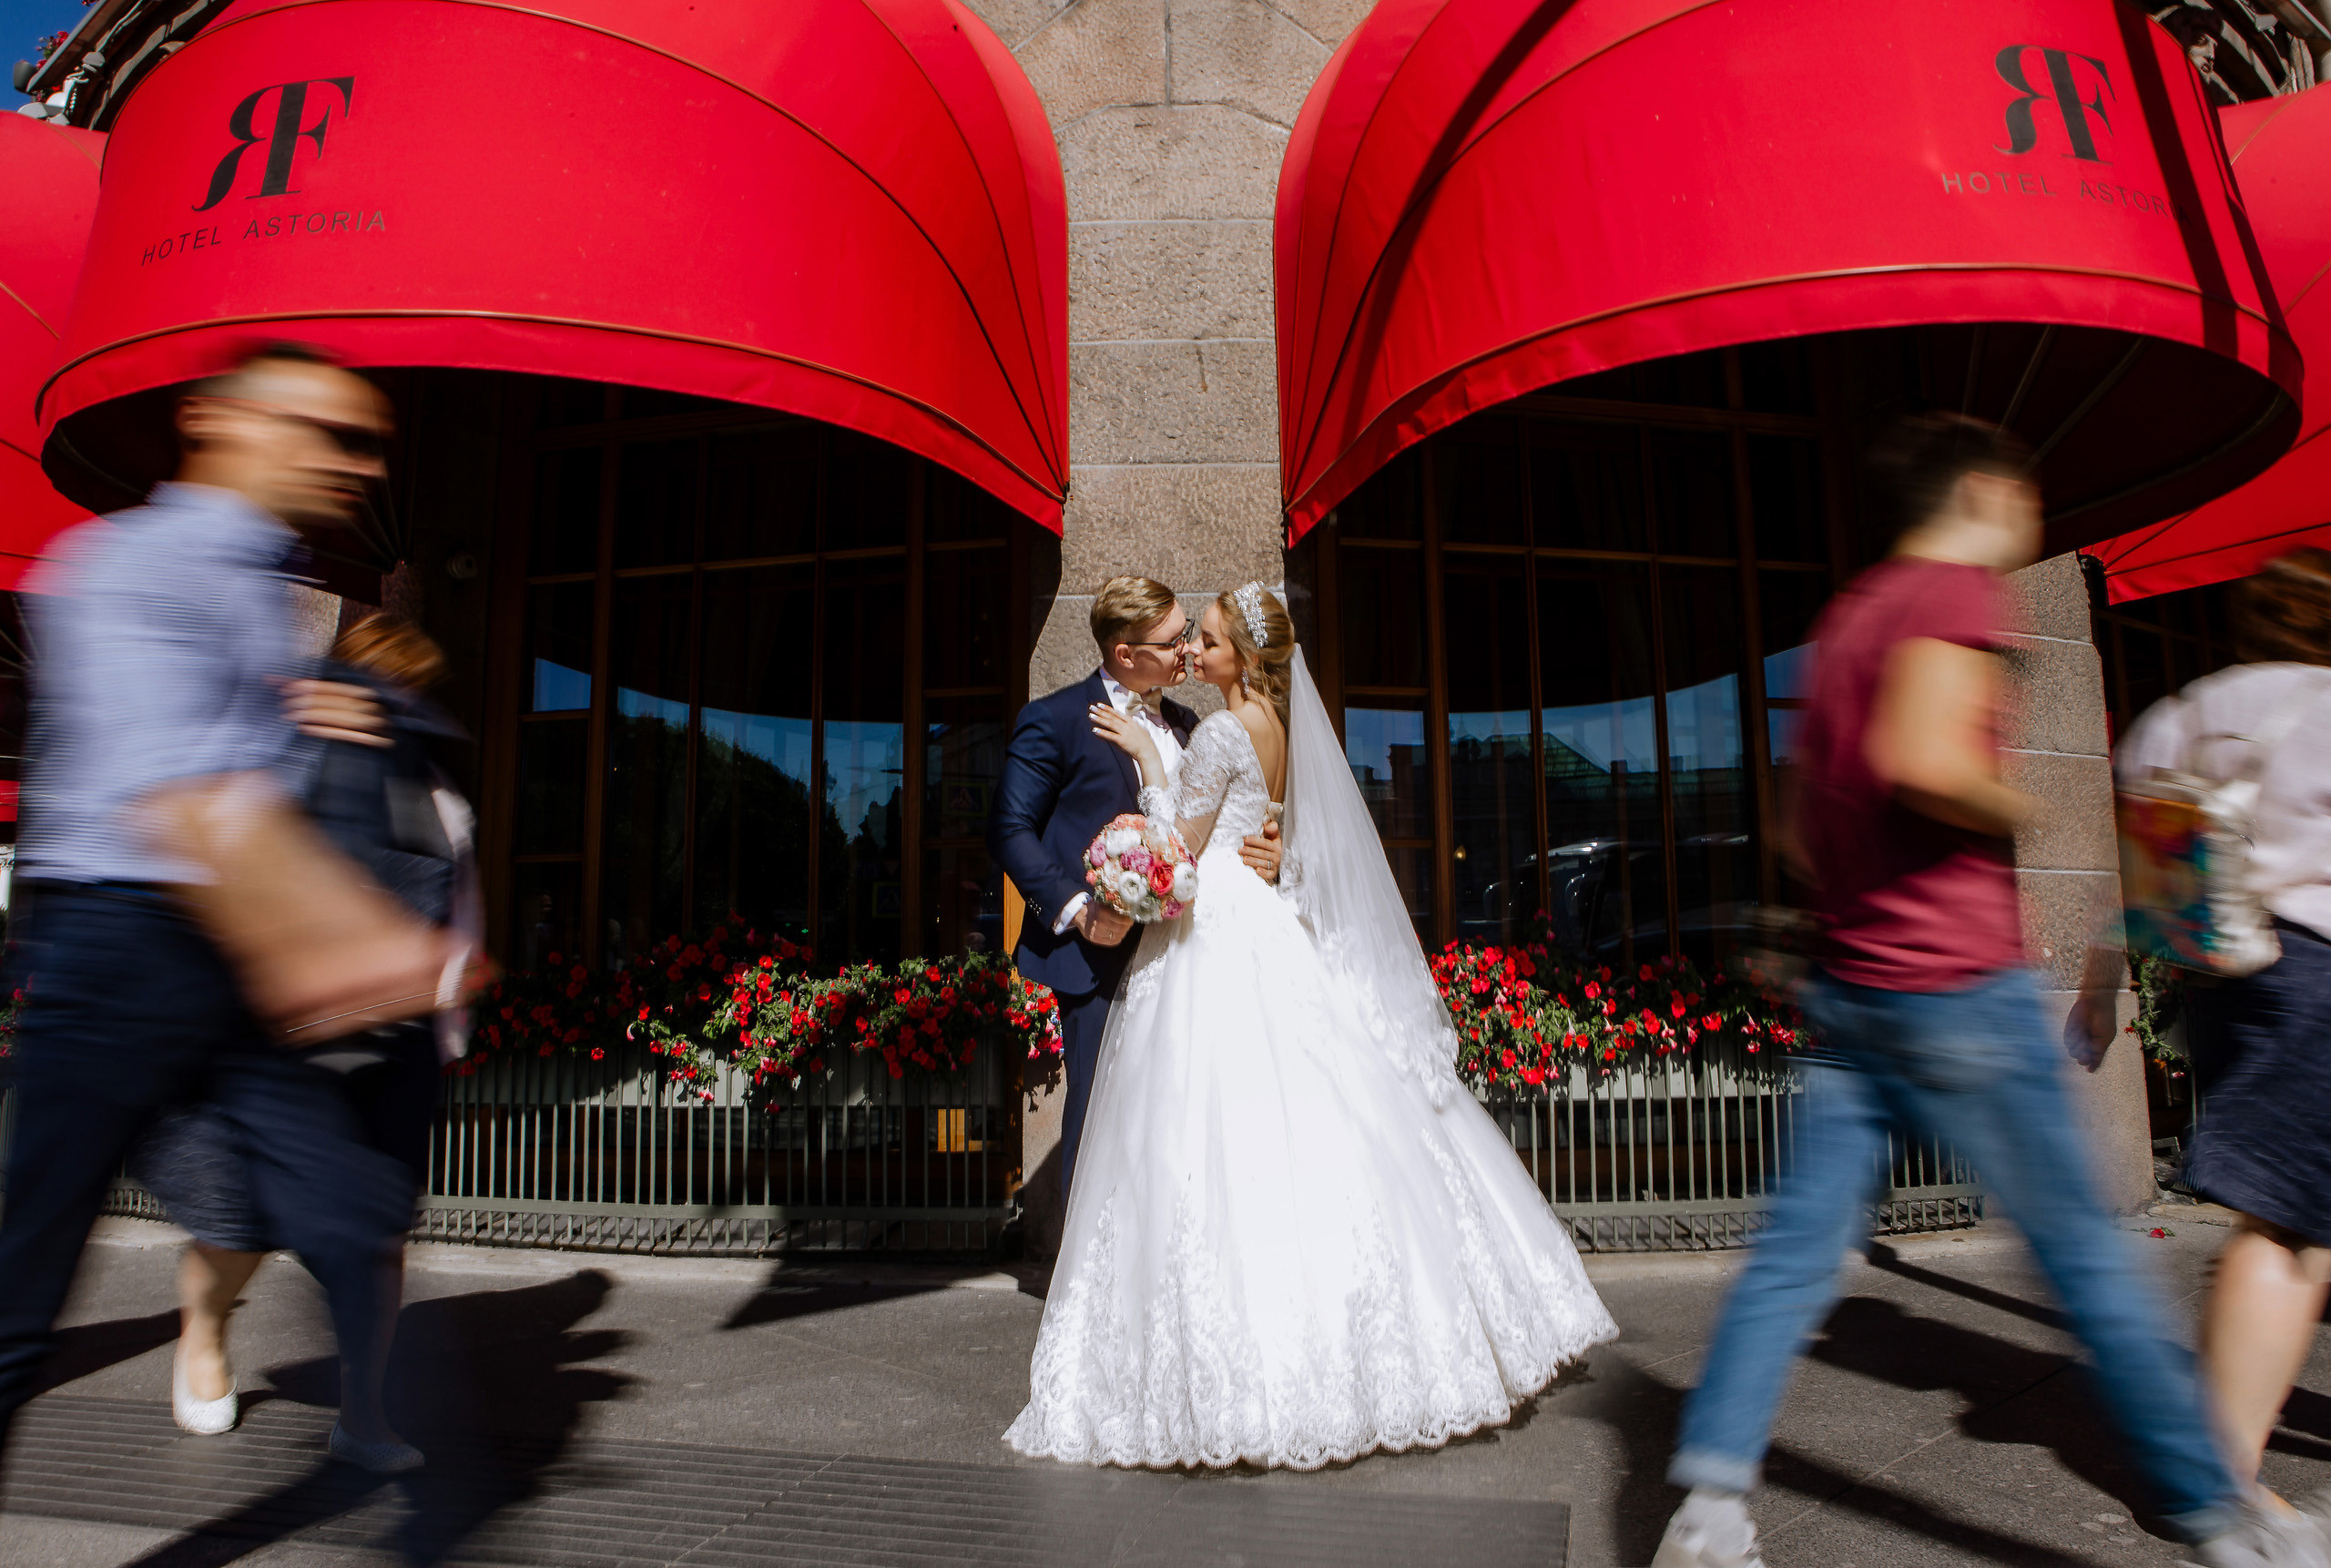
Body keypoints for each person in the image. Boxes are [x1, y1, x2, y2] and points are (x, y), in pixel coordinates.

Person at [1651, 414, 2318, 1568]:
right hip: (1958, 988)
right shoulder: (1953, 594)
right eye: (2026, 497)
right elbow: (1926, 760)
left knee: (1793, 1258)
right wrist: (2020, 807)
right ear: (1978, 489)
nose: (2033, 519)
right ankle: (2221, 1518)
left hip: (1854, 987)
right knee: (2084, 1258)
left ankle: (1708, 1511)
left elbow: (1791, 819)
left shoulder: (1848, 619)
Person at [1003, 584, 1616, 1470]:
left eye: (1205, 640)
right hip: (1268, 931)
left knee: (1204, 1133)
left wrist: (1145, 763)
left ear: (1239, 657)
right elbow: (1283, 830)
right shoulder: (1283, 730)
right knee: (1307, 1119)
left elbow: (1176, 843)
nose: (1192, 653)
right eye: (1185, 640)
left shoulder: (1210, 731)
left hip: (1212, 938)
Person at [0, 342, 443, 1465]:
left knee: (350, 1215)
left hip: (228, 954)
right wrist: (364, 939)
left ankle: (390, 1453)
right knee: (27, 1286)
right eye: (329, 433)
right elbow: (183, 794)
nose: (356, 463)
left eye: (368, 442)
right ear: (219, 421)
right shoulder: (125, 564)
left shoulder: (266, 591)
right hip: (120, 946)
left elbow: (244, 785)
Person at [150, 613, 476, 1471]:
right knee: (238, 1221)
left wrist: (444, 1016)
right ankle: (204, 1331)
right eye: (384, 686)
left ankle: (364, 1414)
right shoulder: (268, 758)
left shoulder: (435, 791)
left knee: (376, 1234)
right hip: (272, 1037)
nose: (395, 707)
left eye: (410, 692)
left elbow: (458, 915)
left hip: (392, 1041)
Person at [2114, 548, 2331, 1518]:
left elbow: (2139, 862)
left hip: (2220, 970)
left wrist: (2095, 990)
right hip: (2318, 969)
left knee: (2288, 1210)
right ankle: (2219, 1478)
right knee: (2284, 1226)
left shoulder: (2184, 712)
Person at [987, 576, 1281, 1205]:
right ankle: (1082, 1291)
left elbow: (1218, 823)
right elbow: (1010, 831)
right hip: (1098, 957)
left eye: (1191, 638)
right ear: (1126, 653)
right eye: (1175, 642)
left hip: (1190, 957)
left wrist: (1271, 850)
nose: (1187, 654)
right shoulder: (1054, 720)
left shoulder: (1188, 721)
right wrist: (1079, 909)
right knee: (1099, 1123)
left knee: (1179, 1129)